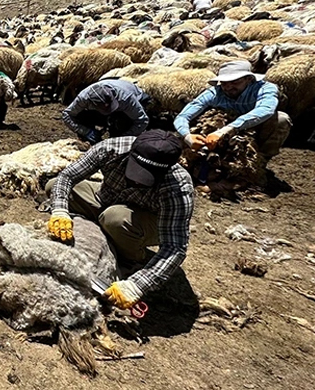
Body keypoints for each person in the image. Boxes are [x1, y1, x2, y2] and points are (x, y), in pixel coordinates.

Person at [46, 130, 194, 310]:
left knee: (115, 218)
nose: (137, 181)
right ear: (130, 153)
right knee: (53, 186)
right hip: (105, 197)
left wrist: (138, 285)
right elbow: (67, 177)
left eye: (146, 177)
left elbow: (175, 246)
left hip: (145, 219)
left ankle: (132, 262)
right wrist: (60, 211)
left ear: (167, 169)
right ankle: (95, 229)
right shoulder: (111, 149)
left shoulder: (177, 187)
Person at [174, 60, 291, 167]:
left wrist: (227, 130)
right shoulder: (214, 93)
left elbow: (266, 109)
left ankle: (259, 162)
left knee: (281, 119)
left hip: (253, 125)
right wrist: (187, 136)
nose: (228, 87)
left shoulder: (265, 88)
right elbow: (183, 116)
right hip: (220, 126)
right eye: (224, 83)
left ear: (249, 79)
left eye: (235, 82)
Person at [62, 79, 150, 144]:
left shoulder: (126, 98)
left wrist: (123, 138)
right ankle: (90, 142)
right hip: (101, 109)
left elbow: (142, 120)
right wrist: (85, 131)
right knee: (81, 117)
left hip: (134, 100)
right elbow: (67, 115)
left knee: (120, 124)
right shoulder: (83, 98)